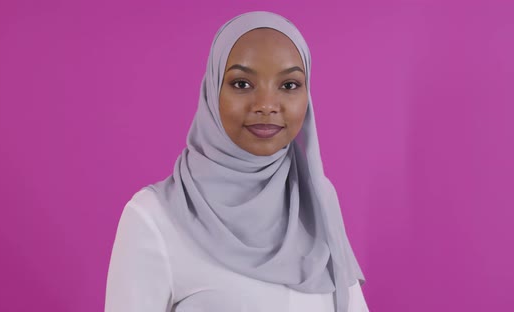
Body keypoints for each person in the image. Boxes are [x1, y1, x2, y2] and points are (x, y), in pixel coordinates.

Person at [105, 11, 368, 312]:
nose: (266, 105)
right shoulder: (153, 217)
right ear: (212, 90)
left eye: (289, 85)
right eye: (242, 84)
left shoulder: (317, 200)